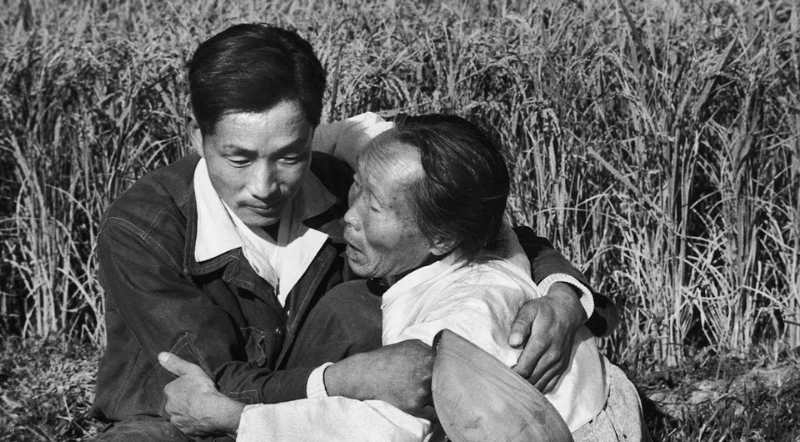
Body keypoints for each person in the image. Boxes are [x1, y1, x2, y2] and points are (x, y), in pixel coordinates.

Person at [91, 23, 617, 441]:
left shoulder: (347, 183)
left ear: (314, 130)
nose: (264, 186)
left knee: (357, 304)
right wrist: (346, 380)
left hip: (312, 423)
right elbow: (214, 382)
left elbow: (475, 222)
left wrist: (563, 295)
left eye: (290, 156)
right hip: (179, 419)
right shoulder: (142, 230)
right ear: (199, 135)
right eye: (238, 157)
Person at [159, 114, 647, 441]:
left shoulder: (466, 319)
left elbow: (375, 430)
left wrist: (236, 419)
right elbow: (343, 141)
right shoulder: (477, 233)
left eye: (372, 206)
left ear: (439, 238)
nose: (348, 218)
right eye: (355, 190)